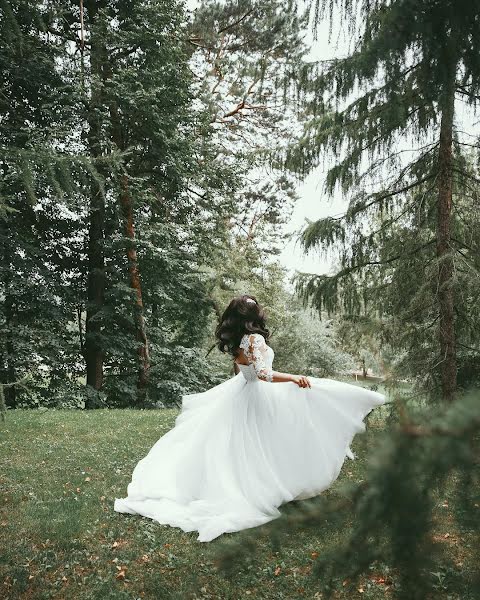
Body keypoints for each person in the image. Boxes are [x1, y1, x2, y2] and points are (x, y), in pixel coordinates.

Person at [114, 295, 385, 542]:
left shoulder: (237, 341)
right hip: (257, 394)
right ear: (253, 315)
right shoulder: (254, 339)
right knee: (269, 439)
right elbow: (264, 373)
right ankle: (263, 488)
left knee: (245, 445)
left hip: (243, 393)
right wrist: (291, 377)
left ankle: (254, 485)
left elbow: (245, 371)